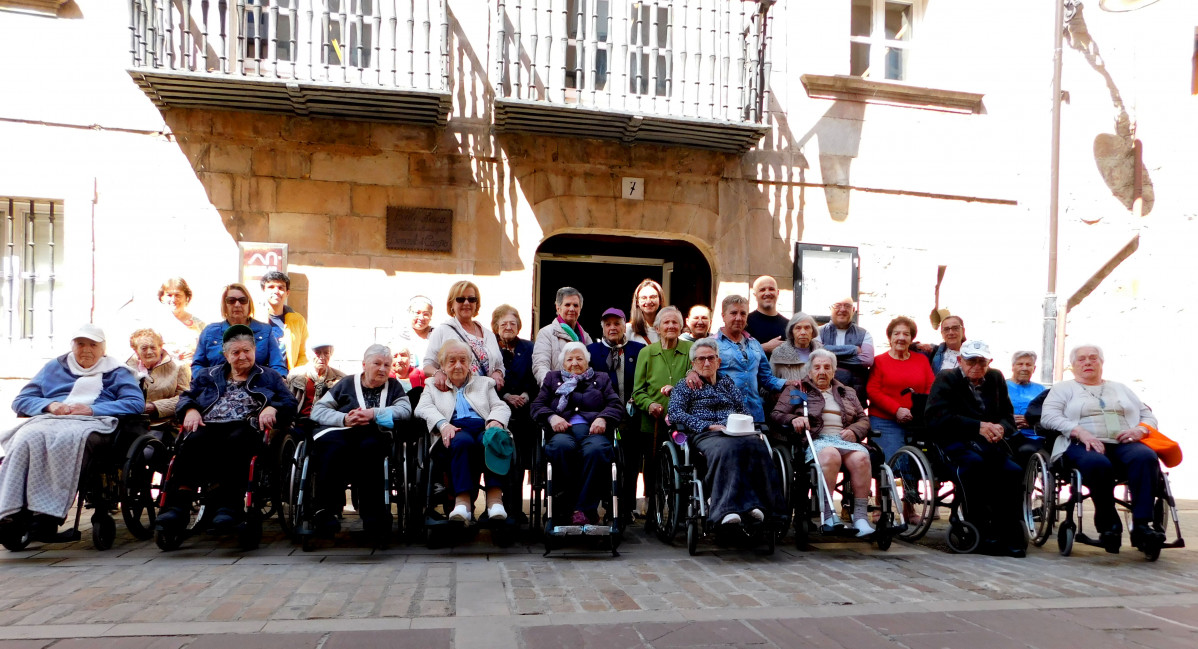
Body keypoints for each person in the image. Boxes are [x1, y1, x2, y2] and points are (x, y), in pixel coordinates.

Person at [0, 324, 145, 542]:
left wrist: (92, 409)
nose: (86, 349)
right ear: (72, 346)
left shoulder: (117, 371)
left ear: (103, 349)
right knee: (25, 437)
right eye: (80, 344)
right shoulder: (54, 367)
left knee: (69, 440)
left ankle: (47, 517)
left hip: (94, 422)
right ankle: (11, 515)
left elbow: (134, 403)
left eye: (92, 344)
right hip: (51, 419)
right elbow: (21, 400)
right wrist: (50, 405)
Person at [156, 325, 297, 533]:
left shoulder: (269, 376)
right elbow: (186, 397)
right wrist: (190, 410)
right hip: (209, 425)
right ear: (226, 355)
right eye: (236, 352)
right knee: (191, 441)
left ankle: (229, 505)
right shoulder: (208, 375)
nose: (242, 356)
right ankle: (179, 506)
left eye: (247, 351)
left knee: (236, 440)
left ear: (254, 351)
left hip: (246, 427)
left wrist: (272, 407)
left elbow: (290, 403)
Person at [1039, 344, 1165, 552]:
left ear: (1101, 362)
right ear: (1073, 365)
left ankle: (1142, 526)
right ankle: (1109, 525)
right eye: (1081, 359)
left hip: (1123, 442)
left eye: (1093, 358)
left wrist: (1140, 431)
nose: (1088, 362)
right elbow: (1049, 417)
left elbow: (1148, 415)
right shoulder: (1063, 388)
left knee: (1145, 457)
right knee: (1097, 463)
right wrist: (1079, 431)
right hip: (1081, 443)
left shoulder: (1120, 387)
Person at [925, 339, 1025, 557]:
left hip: (989, 443)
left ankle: (1009, 530)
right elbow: (936, 418)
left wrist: (1000, 427)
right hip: (953, 441)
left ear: (989, 362)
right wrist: (977, 426)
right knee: (974, 466)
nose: (977, 366)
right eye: (971, 361)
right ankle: (979, 526)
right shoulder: (947, 379)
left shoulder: (996, 378)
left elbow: (1007, 416)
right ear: (960, 360)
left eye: (982, 361)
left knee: (1013, 471)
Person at [667, 339, 783, 527]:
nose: (706, 363)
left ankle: (756, 505)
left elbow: (743, 410)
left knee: (757, 446)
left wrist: (743, 425)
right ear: (693, 364)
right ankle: (725, 509)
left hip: (735, 432)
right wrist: (707, 426)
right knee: (728, 449)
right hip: (706, 434)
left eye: (711, 358)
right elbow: (675, 413)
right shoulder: (684, 385)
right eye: (701, 359)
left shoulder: (727, 383)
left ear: (718, 362)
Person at [306, 344, 411, 540]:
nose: (382, 369)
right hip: (342, 432)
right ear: (364, 365)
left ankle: (374, 515)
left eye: (387, 365)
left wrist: (374, 413)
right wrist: (344, 419)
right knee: (331, 450)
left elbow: (405, 411)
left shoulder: (394, 386)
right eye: (377, 363)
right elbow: (318, 411)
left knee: (370, 449)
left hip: (374, 435)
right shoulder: (346, 383)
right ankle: (325, 511)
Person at [771, 349, 874, 536]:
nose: (822, 371)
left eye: (827, 367)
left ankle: (860, 518)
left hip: (844, 439)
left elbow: (863, 419)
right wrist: (793, 419)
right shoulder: (798, 389)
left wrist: (854, 430)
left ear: (834, 371)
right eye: (817, 367)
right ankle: (829, 516)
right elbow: (777, 415)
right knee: (831, 454)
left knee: (861, 459)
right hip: (815, 440)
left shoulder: (846, 391)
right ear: (809, 371)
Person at [414, 340, 513, 523]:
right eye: (451, 361)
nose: (458, 365)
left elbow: (501, 407)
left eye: (463, 360)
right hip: (454, 430)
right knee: (462, 441)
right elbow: (423, 408)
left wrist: (495, 421)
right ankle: (463, 504)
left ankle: (494, 502)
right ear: (442, 365)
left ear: (470, 364)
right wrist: (443, 424)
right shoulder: (431, 385)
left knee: (492, 440)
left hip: (483, 428)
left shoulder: (484, 383)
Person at [530, 341, 624, 525]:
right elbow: (537, 406)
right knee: (560, 448)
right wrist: (552, 418)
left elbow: (615, 405)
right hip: (562, 432)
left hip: (593, 432)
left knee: (597, 451)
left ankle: (584, 509)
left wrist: (603, 418)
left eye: (579, 358)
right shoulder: (552, 378)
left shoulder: (601, 378)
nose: (574, 363)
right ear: (563, 363)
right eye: (570, 359)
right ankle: (565, 505)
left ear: (587, 362)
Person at [630, 306, 692, 525]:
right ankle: (654, 512)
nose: (671, 326)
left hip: (684, 421)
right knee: (653, 466)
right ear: (657, 328)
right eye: (666, 323)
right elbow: (637, 391)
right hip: (653, 420)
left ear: (682, 326)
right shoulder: (646, 352)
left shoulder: (691, 350)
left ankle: (682, 513)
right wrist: (650, 404)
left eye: (675, 322)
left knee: (684, 466)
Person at [703, 295, 788, 423]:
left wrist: (787, 383)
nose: (738, 318)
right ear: (723, 316)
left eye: (743, 313)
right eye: (733, 313)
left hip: (754, 415)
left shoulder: (755, 344)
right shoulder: (710, 344)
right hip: (724, 417)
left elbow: (766, 378)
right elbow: (700, 377)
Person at [866, 316, 935, 460]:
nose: (901, 338)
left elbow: (931, 388)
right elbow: (873, 390)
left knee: (916, 465)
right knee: (893, 464)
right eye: (896, 333)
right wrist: (897, 410)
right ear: (890, 338)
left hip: (916, 421)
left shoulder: (921, 360)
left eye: (906, 334)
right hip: (885, 420)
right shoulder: (879, 361)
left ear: (911, 339)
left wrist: (916, 410)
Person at [492, 304, 537, 519]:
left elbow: (535, 376)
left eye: (512, 323)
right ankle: (499, 506)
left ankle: (515, 509)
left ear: (519, 326)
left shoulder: (529, 347)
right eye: (504, 324)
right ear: (496, 327)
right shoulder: (490, 348)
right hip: (498, 410)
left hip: (525, 411)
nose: (508, 327)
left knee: (520, 455)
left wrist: (526, 395)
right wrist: (506, 397)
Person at [422, 281, 506, 393]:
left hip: (486, 396)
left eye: (471, 299)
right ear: (451, 304)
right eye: (460, 299)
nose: (466, 303)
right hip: (456, 395)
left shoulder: (489, 335)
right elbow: (428, 365)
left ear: (477, 304)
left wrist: (498, 373)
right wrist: (437, 374)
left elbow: (500, 365)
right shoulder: (442, 331)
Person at [192, 283, 287, 377]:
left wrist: (277, 382)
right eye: (231, 300)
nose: (237, 304)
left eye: (243, 300)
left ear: (249, 304)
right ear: (225, 305)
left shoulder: (265, 330)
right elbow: (197, 365)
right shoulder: (209, 332)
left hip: (256, 387)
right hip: (216, 387)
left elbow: (277, 365)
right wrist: (204, 383)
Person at [126, 327, 191, 434]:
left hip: (163, 424)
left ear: (160, 347)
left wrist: (154, 407)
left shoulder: (179, 367)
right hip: (130, 422)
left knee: (146, 450)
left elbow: (185, 398)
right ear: (136, 351)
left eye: (153, 347)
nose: (149, 352)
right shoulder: (126, 368)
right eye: (144, 348)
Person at [819, 297, 874, 406]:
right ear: (830, 309)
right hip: (823, 394)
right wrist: (853, 349)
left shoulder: (864, 334)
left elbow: (867, 360)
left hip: (855, 396)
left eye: (847, 306)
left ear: (853, 310)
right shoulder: (818, 332)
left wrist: (827, 356)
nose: (842, 309)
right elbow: (815, 354)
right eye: (838, 305)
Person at [532, 287, 592, 384]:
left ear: (580, 309)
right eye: (567, 305)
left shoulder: (585, 337)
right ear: (558, 307)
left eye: (576, 305)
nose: (572, 309)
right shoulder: (546, 333)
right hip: (557, 392)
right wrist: (553, 387)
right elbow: (540, 366)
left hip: (583, 393)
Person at [588, 308, 645, 405]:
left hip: (634, 411)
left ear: (625, 328)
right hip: (604, 412)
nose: (612, 328)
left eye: (617, 324)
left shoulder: (639, 350)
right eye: (608, 324)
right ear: (603, 329)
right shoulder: (591, 351)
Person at [260, 271, 309, 372]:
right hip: (259, 379)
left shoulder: (298, 320)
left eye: (281, 287)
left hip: (288, 379)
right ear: (263, 290)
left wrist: (295, 374)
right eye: (271, 287)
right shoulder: (253, 319)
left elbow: (304, 353)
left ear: (287, 293)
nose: (276, 291)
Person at [287, 340, 347, 420]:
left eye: (326, 353)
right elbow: (286, 403)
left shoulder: (340, 379)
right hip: (299, 423)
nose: (322, 357)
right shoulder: (295, 375)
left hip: (326, 423)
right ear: (308, 355)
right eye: (317, 353)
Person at [156, 277, 205, 362]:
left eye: (178, 295)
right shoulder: (156, 324)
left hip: (192, 371)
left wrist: (196, 354)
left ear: (186, 297)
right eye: (169, 295)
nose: (173, 299)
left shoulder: (199, 324)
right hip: (165, 371)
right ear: (162, 297)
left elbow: (208, 350)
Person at [768, 312, 824, 383]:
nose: (803, 332)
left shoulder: (822, 354)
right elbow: (768, 384)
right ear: (792, 332)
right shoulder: (779, 354)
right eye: (798, 328)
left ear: (813, 331)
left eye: (807, 328)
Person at [745, 276, 789, 356]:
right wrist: (764, 347)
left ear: (777, 293)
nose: (767, 293)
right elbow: (736, 353)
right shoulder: (744, 322)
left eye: (771, 289)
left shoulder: (789, 325)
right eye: (762, 290)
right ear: (755, 295)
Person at [1007, 351, 1047, 430]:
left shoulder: (1041, 390)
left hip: (1035, 436)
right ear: (1013, 367)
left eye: (1028, 365)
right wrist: (1008, 420)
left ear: (1034, 368)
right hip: (1006, 434)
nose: (1024, 368)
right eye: (1020, 364)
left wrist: (1031, 422)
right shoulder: (1001, 386)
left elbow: (1049, 415)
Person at [398, 295, 435, 368]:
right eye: (417, 313)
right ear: (409, 313)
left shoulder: (438, 335)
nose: (421, 318)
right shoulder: (400, 336)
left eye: (426, 314)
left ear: (431, 316)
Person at [626, 279, 663, 345]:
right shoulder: (628, 330)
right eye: (644, 298)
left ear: (660, 300)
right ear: (637, 302)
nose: (648, 301)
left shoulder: (667, 328)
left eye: (653, 297)